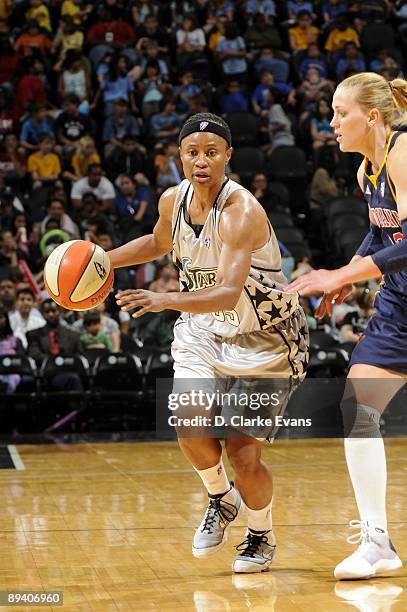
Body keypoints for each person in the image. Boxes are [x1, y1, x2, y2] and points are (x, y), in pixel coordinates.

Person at [109, 113, 308, 573]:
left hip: (265, 338)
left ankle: (262, 534)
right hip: (204, 331)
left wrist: (162, 299)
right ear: (179, 157)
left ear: (228, 158)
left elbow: (226, 292)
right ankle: (222, 499)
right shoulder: (171, 200)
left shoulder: (241, 211)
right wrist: (100, 259)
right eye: (192, 152)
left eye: (212, 153)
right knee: (190, 424)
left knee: (242, 450)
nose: (202, 161)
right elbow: (158, 243)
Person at [286, 72, 407, 579]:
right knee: (359, 409)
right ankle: (377, 540)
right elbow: (381, 237)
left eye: (341, 113)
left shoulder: (404, 153)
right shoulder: (365, 172)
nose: (332, 123)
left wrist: (340, 273)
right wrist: (346, 279)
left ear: (372, 116)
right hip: (399, 304)